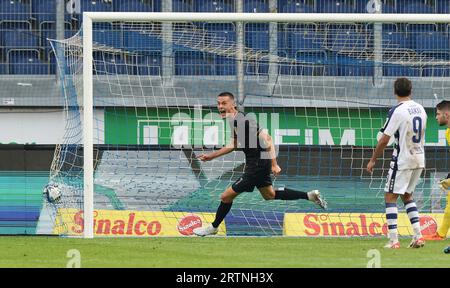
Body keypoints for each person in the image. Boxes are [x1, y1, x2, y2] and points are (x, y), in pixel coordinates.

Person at [193, 92, 327, 237]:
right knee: (269, 195)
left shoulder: (244, 120)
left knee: (226, 197)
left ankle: (213, 227)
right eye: (218, 103)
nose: (220, 106)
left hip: (257, 165)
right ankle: (309, 196)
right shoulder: (235, 120)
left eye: (224, 103)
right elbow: (234, 143)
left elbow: (268, 139)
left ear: (233, 104)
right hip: (257, 163)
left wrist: (274, 164)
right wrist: (211, 156)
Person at [366, 78, 427, 249]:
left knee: (390, 196)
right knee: (407, 196)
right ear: (411, 90)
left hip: (403, 159)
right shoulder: (421, 109)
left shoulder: (397, 111)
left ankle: (394, 240)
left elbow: (384, 139)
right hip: (419, 158)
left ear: (394, 91)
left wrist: (373, 160)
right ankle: (418, 236)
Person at [425, 100, 450, 242]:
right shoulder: (448, 132)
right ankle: (440, 234)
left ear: (446, 114)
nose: (436, 117)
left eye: (438, 114)